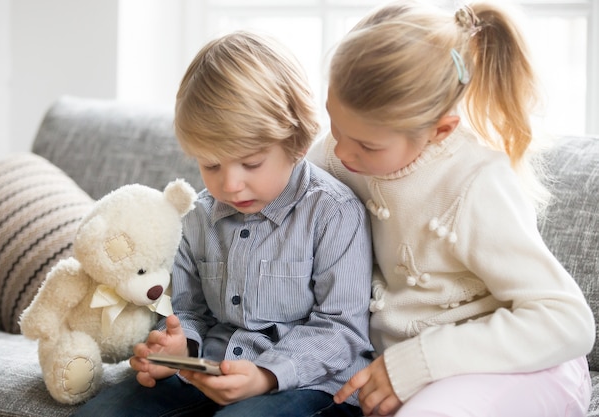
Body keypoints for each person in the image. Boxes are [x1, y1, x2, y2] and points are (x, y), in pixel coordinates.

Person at [307, 2, 595, 416]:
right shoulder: (338, 156)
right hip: (410, 373)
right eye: (335, 126)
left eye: (368, 145)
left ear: (440, 130)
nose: (341, 151)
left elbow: (566, 322)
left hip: (527, 366)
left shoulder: (476, 183)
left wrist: (415, 363)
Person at [71, 31, 373, 417]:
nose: (229, 185)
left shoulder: (333, 212)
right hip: (207, 372)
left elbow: (342, 330)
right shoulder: (198, 216)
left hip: (309, 384)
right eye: (211, 164)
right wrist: (180, 350)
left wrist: (265, 375)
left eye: (251, 163)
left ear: (296, 142)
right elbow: (189, 311)